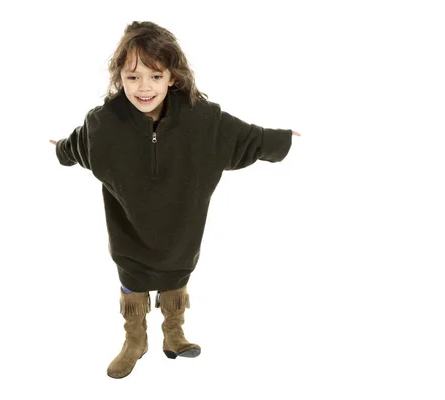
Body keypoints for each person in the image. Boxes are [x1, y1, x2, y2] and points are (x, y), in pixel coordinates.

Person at [49, 21, 301, 379]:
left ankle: (174, 334)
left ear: (172, 77)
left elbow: (250, 139)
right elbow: (76, 145)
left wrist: (287, 139)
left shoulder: (203, 121)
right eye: (133, 77)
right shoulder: (103, 125)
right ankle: (134, 341)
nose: (144, 87)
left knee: (176, 277)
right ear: (119, 78)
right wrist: (59, 149)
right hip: (130, 239)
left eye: (155, 75)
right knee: (133, 282)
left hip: (181, 238)